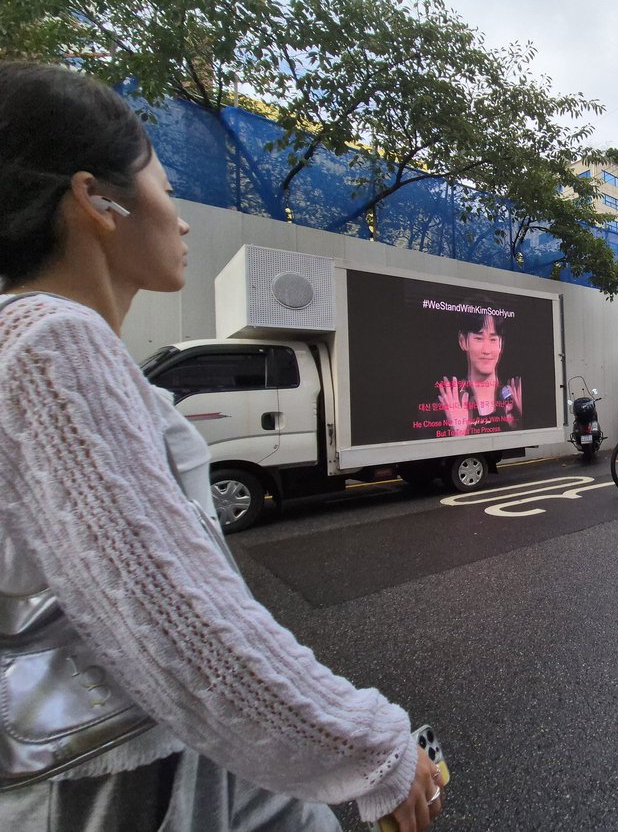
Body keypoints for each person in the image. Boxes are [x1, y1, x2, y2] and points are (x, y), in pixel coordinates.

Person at [0, 63, 442, 830]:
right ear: (94, 201)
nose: (182, 219)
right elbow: (175, 616)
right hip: (118, 786)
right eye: (165, 190)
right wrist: (374, 752)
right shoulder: (53, 341)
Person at [436, 308, 522, 435]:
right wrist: (459, 434)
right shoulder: (449, 403)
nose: (486, 350)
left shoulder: (514, 399)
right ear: (463, 341)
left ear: (501, 345)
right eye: (479, 338)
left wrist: (520, 423)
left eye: (493, 339)